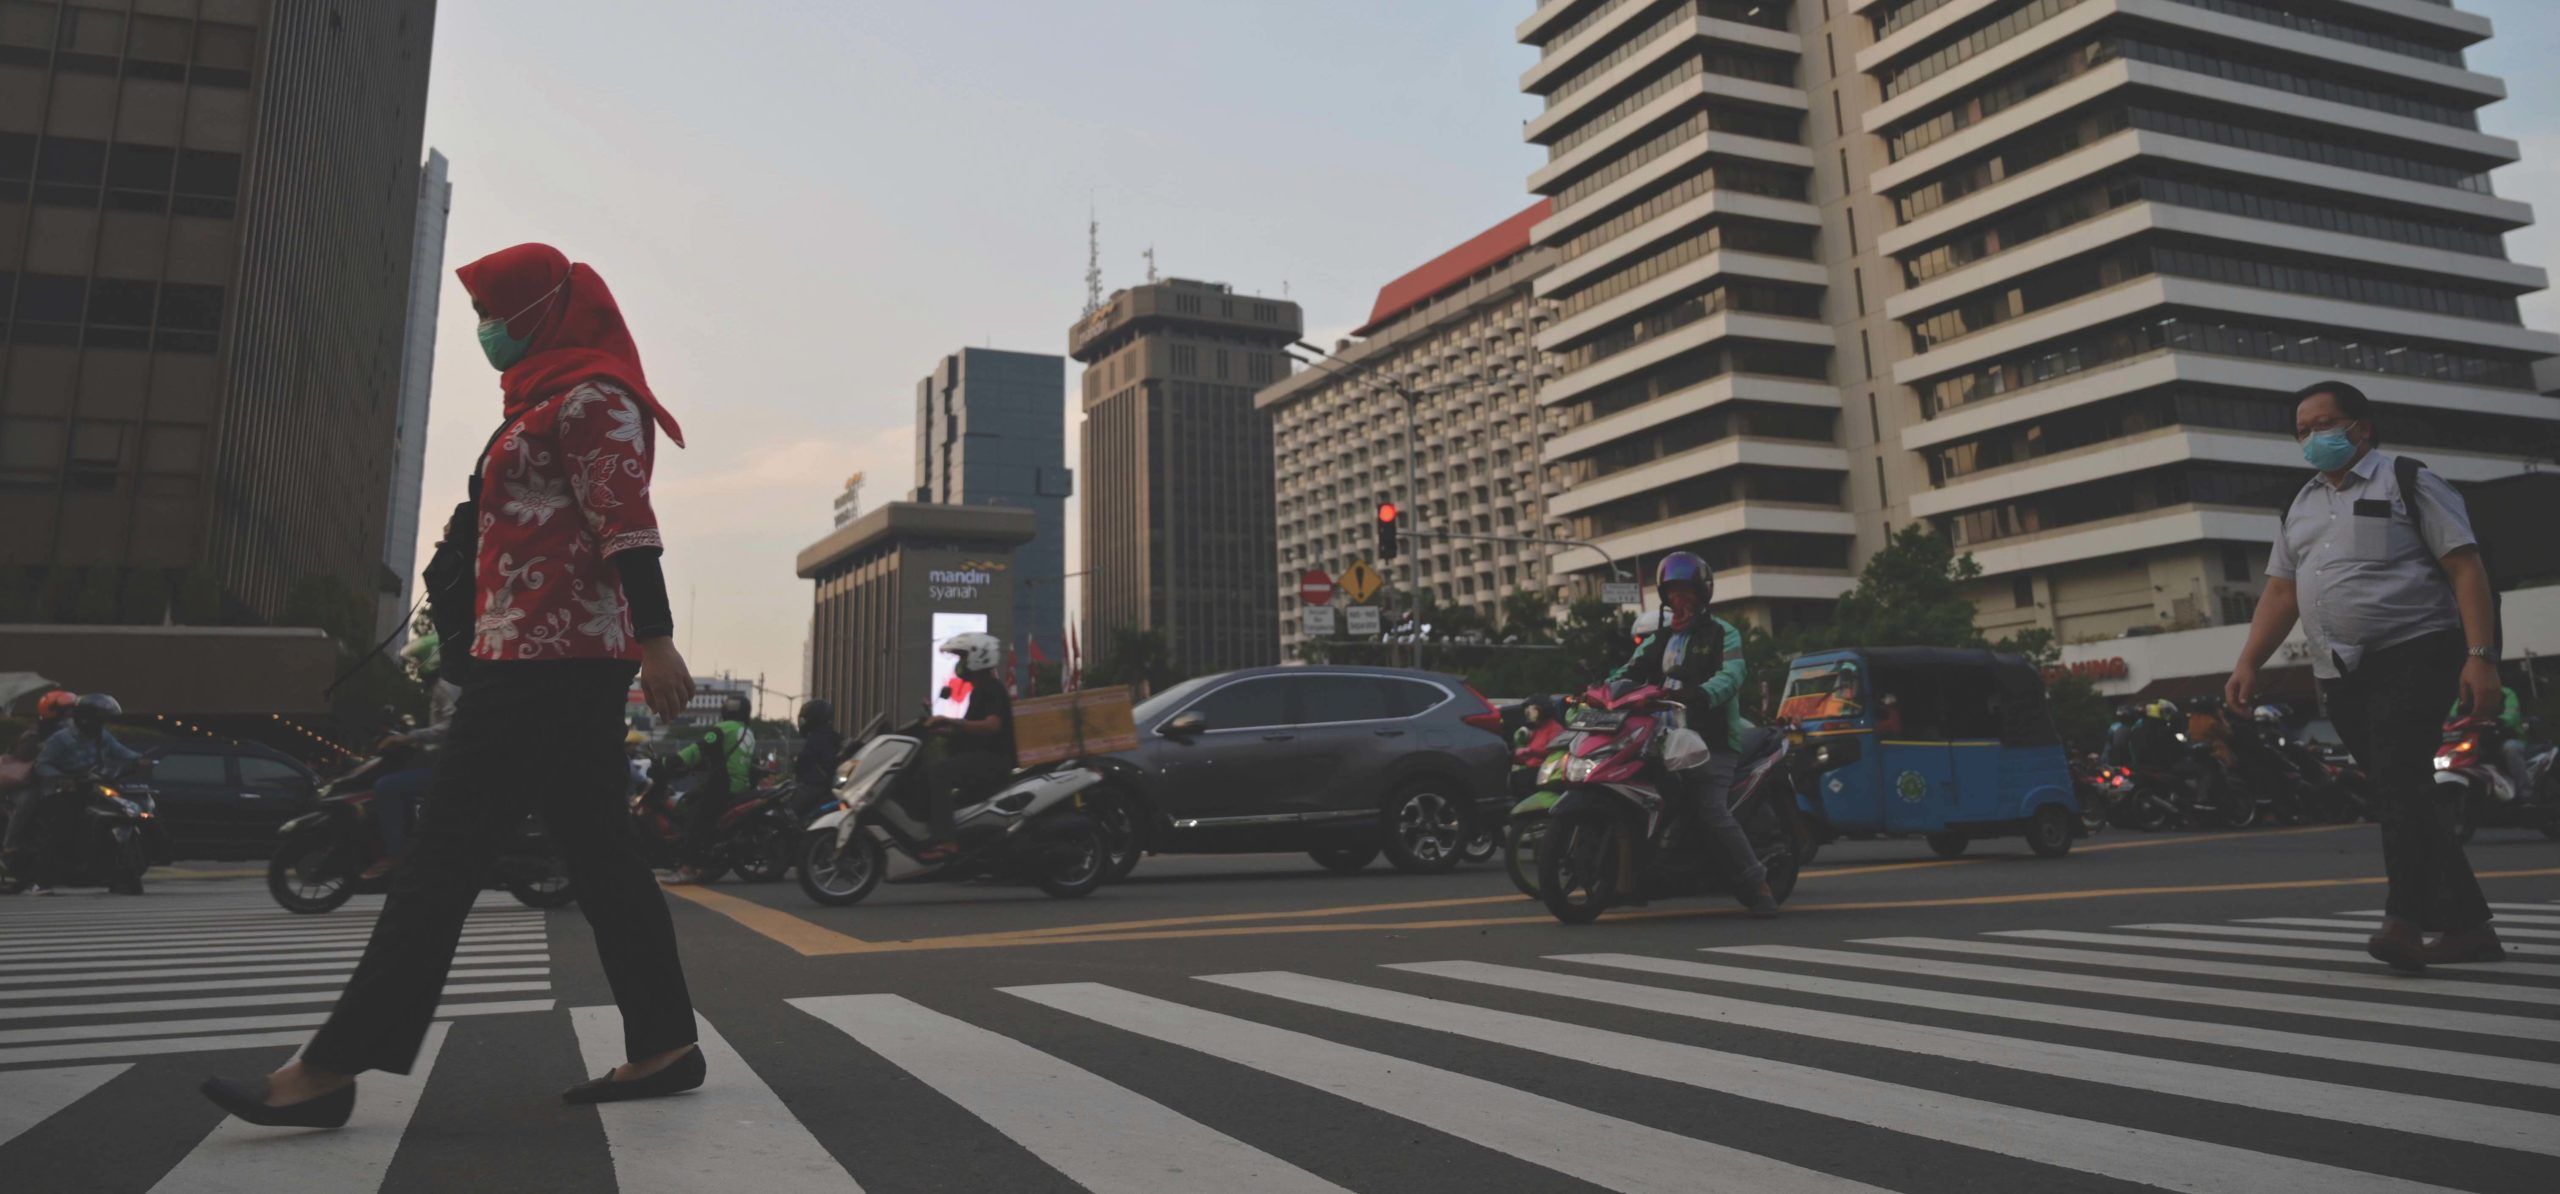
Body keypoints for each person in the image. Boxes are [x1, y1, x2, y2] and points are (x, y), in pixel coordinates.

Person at [202, 243, 703, 1128]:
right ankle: (665, 1044)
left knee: (442, 858)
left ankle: (329, 1069)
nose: (486, 329)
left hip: (556, 661)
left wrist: (656, 640)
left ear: (548, 306)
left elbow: (628, 523)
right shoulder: (542, 399)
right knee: (599, 855)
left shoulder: (593, 398)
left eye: (494, 311)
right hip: (531, 656)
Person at [2225, 379, 2503, 973]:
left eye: (2324, 424)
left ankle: (2403, 921)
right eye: (2302, 430)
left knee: (2400, 783)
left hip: (2416, 650)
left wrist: (2481, 655)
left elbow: (2465, 566)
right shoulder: (2298, 504)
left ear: (2361, 428)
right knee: (2402, 793)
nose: (2313, 437)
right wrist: (2250, 660)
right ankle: (2471, 927)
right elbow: (2280, 590)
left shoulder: (2408, 480)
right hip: (2341, 672)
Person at [1608, 552, 1775, 917]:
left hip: (1710, 740)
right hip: (1658, 739)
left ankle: (1757, 883)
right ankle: (1632, 876)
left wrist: (1699, 693)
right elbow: (1628, 672)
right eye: (1673, 593)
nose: (1680, 600)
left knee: (1711, 808)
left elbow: (1732, 675)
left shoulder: (1722, 633)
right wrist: (1602, 690)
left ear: (1702, 594)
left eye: (1687, 592)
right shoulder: (1660, 639)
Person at [364, 633, 461, 880]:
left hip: (450, 767)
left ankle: (397, 854)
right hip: (445, 763)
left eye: (418, 659)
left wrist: (410, 737)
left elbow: (452, 725)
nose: (416, 666)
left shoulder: (444, 686)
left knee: (387, 787)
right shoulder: (443, 685)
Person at [918, 632, 1016, 861]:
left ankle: (948, 843)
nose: (958, 664)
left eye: (962, 657)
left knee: (939, 774)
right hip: (982, 755)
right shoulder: (980, 689)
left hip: (993, 759)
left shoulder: (991, 688)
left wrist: (951, 722)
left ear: (977, 658)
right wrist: (943, 730)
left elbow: (992, 726)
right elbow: (971, 730)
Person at [661, 693, 755, 885]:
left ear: (724, 710)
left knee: (694, 819)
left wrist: (672, 761)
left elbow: (700, 749)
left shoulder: (722, 728)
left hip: (722, 785)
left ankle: (687, 867)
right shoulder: (748, 732)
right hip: (740, 786)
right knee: (694, 804)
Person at [2, 689, 79, 873]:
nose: (70, 715)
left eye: (71, 711)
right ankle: (9, 847)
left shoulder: (75, 733)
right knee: (28, 800)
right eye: (66, 711)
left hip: (61, 781)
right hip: (30, 782)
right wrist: (44, 748)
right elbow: (24, 753)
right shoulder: (35, 732)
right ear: (52, 711)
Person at [2446, 682, 2531, 798]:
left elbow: (2512, 715)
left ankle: (2525, 794)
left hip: (2506, 738)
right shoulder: (2463, 699)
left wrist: (2499, 720)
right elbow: (2452, 718)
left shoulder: (2505, 693)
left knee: (2511, 749)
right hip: (2476, 741)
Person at [790, 699, 845, 819]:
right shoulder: (833, 736)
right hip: (827, 786)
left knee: (788, 808)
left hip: (814, 785)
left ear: (813, 718)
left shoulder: (816, 737)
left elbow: (803, 763)